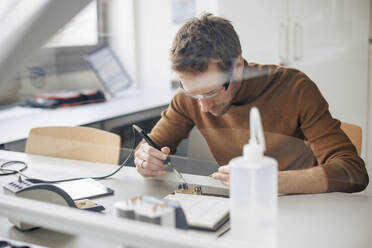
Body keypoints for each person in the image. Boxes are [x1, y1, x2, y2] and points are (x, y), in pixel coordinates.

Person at [134, 13, 368, 194]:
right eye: (194, 95)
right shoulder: (187, 98)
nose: (204, 107)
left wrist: (271, 180)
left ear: (237, 67)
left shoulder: (295, 88)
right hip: (242, 206)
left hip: (304, 206)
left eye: (211, 93)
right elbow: (150, 146)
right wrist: (145, 159)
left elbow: (353, 171)